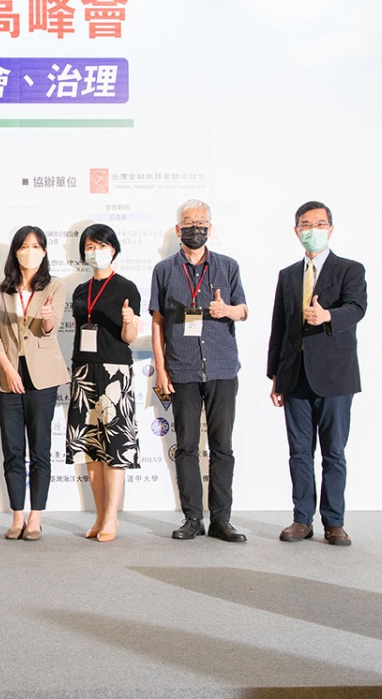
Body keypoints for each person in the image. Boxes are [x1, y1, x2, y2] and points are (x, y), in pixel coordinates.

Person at [268, 201, 367, 546]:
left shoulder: (349, 269)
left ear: (331, 229)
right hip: (294, 377)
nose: (313, 230)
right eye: (306, 225)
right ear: (297, 231)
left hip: (336, 377)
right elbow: (279, 328)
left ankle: (334, 522)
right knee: (299, 452)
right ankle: (301, 519)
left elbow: (357, 308)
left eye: (320, 224)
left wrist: (328, 317)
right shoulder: (288, 275)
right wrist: (275, 376)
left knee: (333, 453)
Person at [150, 199, 249, 543]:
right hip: (182, 369)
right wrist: (161, 369)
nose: (196, 228)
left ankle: (222, 520)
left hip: (222, 367)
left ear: (210, 227)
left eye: (202, 222)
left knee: (222, 446)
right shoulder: (164, 270)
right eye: (189, 223)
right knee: (187, 446)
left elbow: (244, 311)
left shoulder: (228, 266)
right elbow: (158, 322)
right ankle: (192, 518)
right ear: (178, 229)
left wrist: (227, 310)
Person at [0, 226, 68, 542]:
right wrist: (8, 369)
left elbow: (50, 329)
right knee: (12, 449)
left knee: (40, 448)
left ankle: (36, 517)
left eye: (36, 246)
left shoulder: (55, 286)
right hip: (7, 375)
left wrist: (46, 316)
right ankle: (17, 516)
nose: (29, 251)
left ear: (44, 251)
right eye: (24, 245)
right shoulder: (0, 289)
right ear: (15, 251)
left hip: (42, 376)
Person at [66, 224, 140, 542]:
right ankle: (98, 515)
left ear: (114, 249)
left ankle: (112, 516)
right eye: (90, 246)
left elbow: (129, 337)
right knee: (91, 447)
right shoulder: (79, 290)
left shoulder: (126, 287)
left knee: (115, 446)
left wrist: (129, 323)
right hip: (84, 371)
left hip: (114, 372)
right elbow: (78, 329)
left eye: (102, 245)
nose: (95, 251)